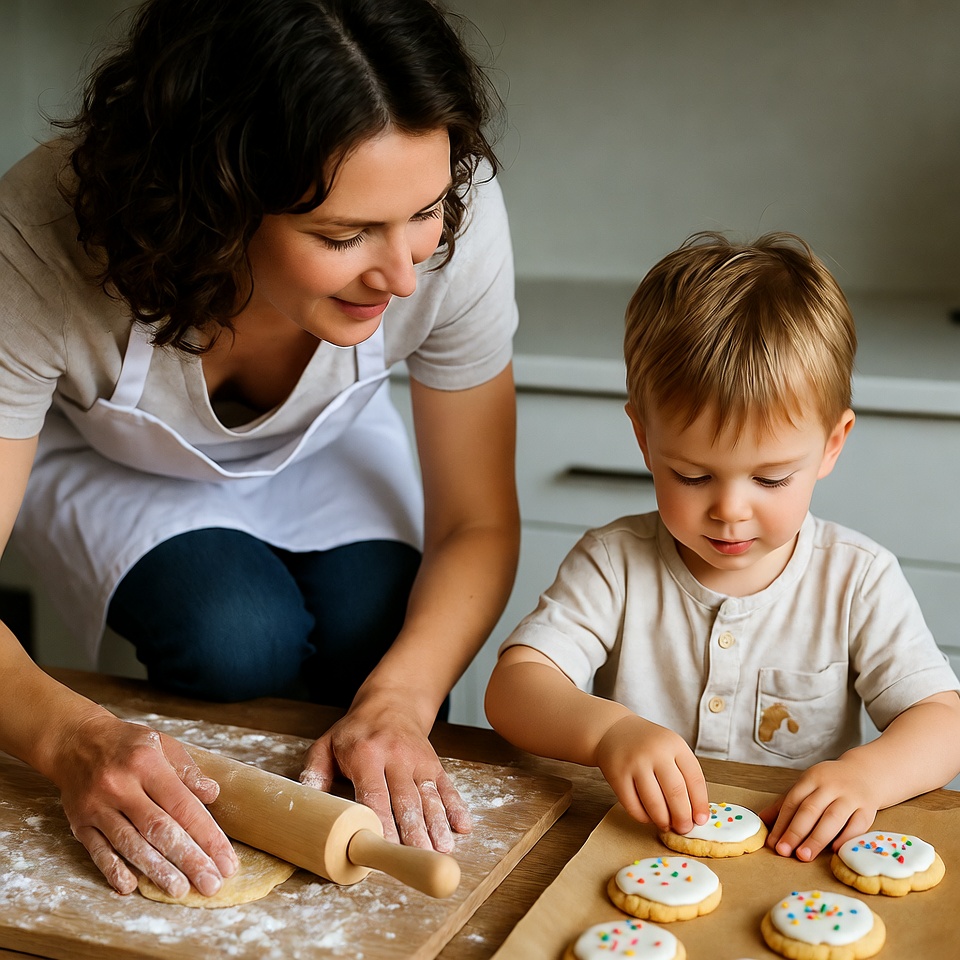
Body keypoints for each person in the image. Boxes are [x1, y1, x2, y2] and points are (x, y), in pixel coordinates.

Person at [0, 0, 520, 900]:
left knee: (379, 630)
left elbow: (476, 519)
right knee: (235, 632)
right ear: (214, 201)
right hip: (108, 455)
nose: (403, 275)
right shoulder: (38, 241)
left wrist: (397, 703)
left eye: (423, 215)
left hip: (327, 447)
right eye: (341, 235)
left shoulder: (444, 226)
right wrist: (72, 739)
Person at [485, 232, 960, 863]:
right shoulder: (613, 562)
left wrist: (868, 777)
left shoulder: (857, 580)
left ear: (831, 445)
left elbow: (943, 722)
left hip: (794, 859)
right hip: (627, 848)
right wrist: (609, 732)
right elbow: (515, 688)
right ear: (644, 438)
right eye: (692, 475)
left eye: (769, 479)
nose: (730, 510)